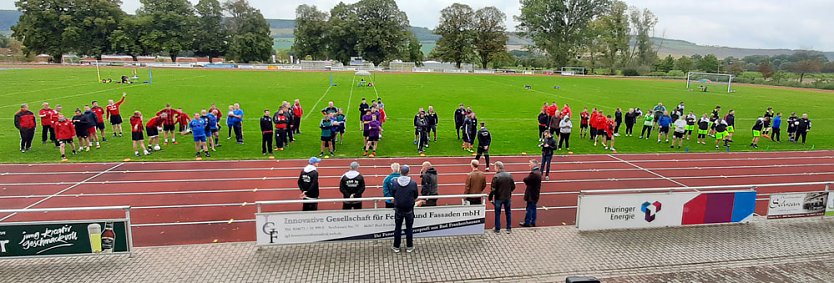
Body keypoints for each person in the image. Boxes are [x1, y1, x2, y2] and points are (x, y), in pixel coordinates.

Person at [391, 165, 418, 253]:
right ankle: (409, 246)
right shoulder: (413, 183)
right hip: (409, 209)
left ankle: (396, 246)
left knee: (397, 228)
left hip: (398, 209)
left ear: (400, 172)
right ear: (408, 172)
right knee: (409, 228)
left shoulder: (395, 182)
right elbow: (416, 195)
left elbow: (393, 193)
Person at [489, 161, 515, 234]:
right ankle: (508, 228)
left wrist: (490, 197)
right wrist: (509, 192)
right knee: (508, 212)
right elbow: (513, 186)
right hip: (507, 197)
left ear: (497, 167)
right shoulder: (509, 175)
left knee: (497, 213)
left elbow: (493, 189)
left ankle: (497, 229)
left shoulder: (496, 177)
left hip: (498, 197)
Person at [520, 159, 542, 228]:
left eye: (530, 164)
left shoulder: (533, 174)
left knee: (529, 208)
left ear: (533, 165)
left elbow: (526, 180)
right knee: (533, 208)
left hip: (531, 194)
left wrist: (526, 180)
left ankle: (527, 222)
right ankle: (533, 222)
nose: (529, 165)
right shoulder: (538, 172)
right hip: (535, 193)